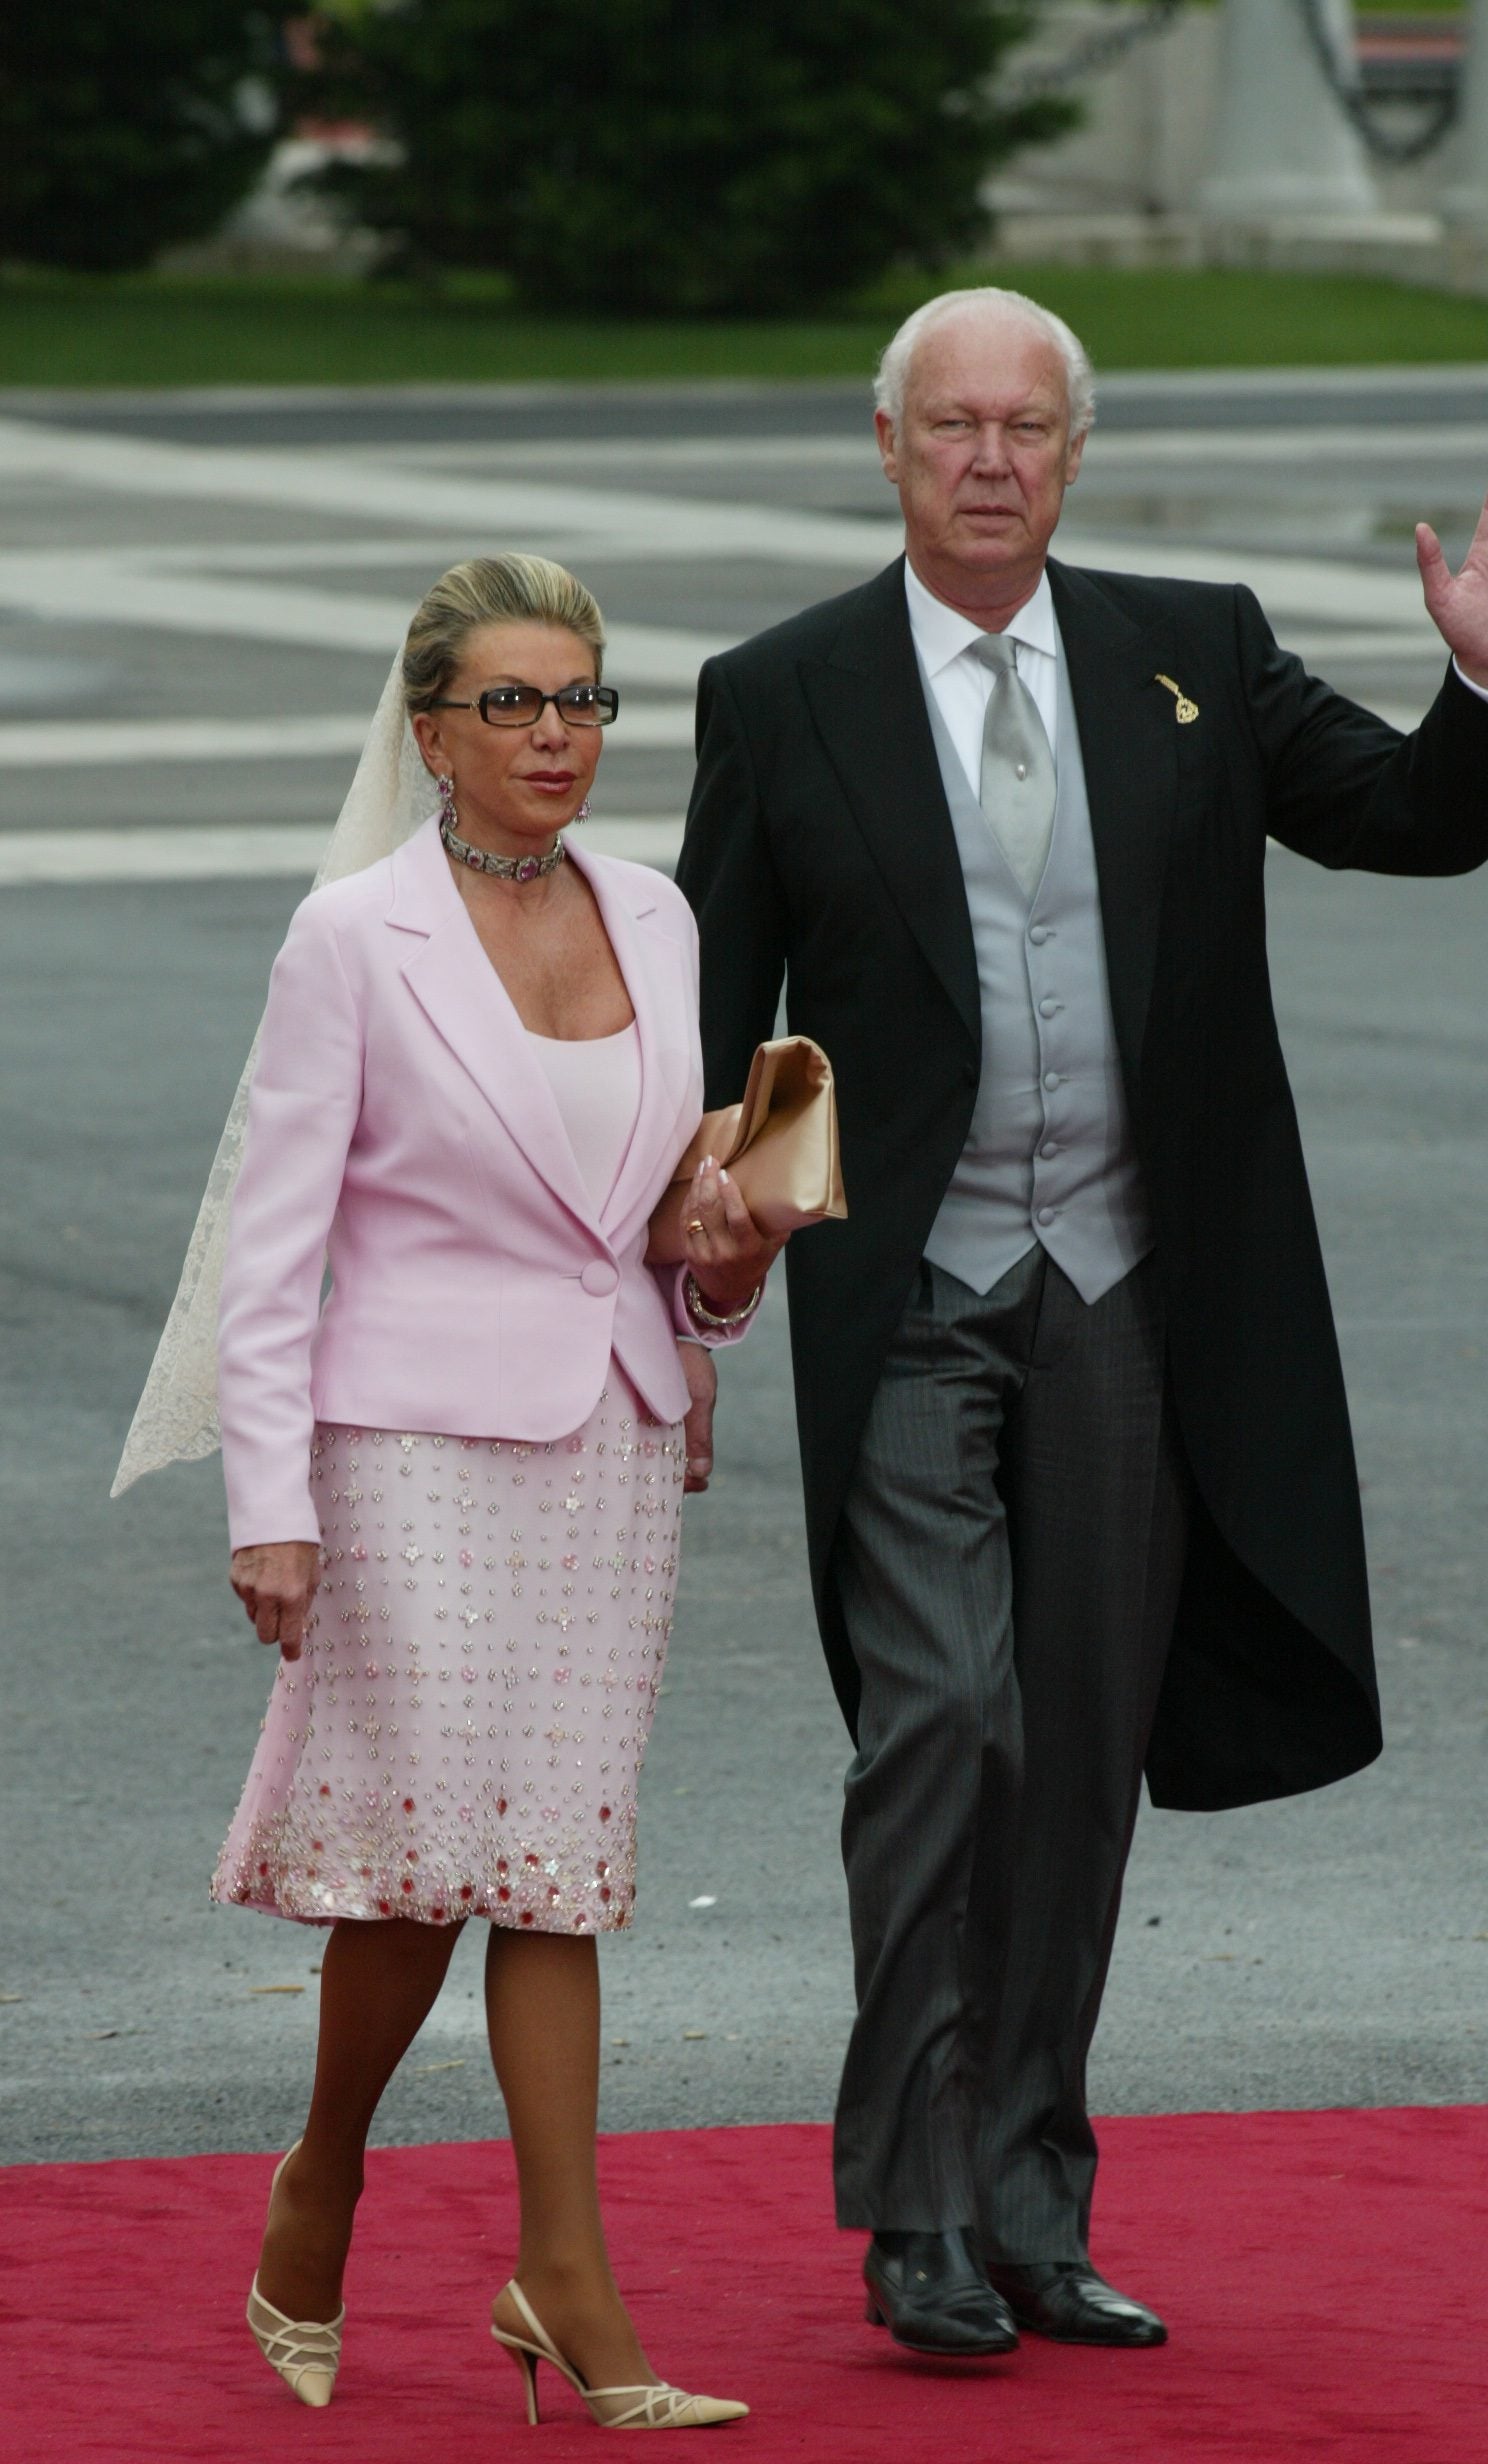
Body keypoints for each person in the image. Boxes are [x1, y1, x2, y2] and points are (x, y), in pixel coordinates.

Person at [675, 286, 1488, 2360]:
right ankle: (906, 2208)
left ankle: (1024, 2194)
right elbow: (711, 1012)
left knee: (1076, 1754)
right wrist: (690, 1246)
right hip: (905, 1293)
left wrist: (1487, 694)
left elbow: (1404, 818)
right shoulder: (782, 688)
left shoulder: (1193, 647)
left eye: (1026, 425)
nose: (988, 457)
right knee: (943, 1724)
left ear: (1071, 456)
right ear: (886, 445)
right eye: (950, 424)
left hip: (1121, 1284)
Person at [166, 555, 779, 2425]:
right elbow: (276, 1251)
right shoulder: (353, 935)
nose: (555, 738)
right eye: (512, 704)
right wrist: (268, 1500)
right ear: (428, 730)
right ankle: (326, 2174)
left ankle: (561, 2273)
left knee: (557, 1876)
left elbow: (667, 1227)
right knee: (427, 1866)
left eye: (584, 700)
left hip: (604, 1439)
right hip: (405, 1451)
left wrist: (730, 1258)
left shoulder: (662, 915)